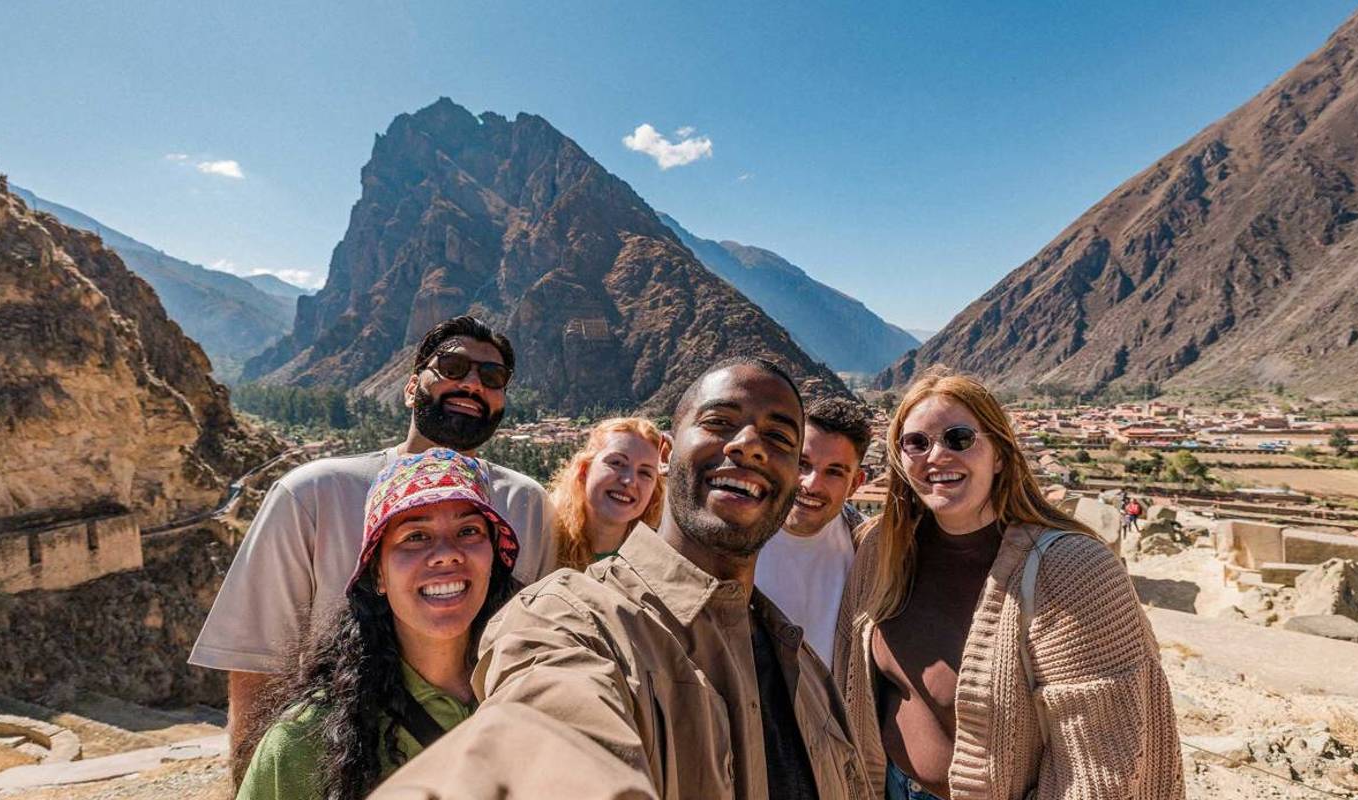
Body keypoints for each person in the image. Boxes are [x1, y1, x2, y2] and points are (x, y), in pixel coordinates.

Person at [374, 357, 872, 799]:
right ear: (667, 455)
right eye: (720, 422)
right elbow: (547, 725)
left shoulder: (808, 673)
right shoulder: (572, 619)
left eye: (780, 438)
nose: (749, 446)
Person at [189, 315, 556, 781]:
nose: (471, 384)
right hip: (341, 760)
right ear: (410, 388)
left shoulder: (526, 504)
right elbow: (256, 669)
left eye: (491, 376)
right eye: (452, 366)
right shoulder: (311, 496)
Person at [832, 367, 1182, 800]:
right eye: (916, 443)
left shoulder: (1072, 571)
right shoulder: (880, 550)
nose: (936, 456)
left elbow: (1100, 769)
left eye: (959, 438)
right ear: (900, 460)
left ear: (999, 453)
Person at [237, 449, 521, 800]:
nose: (447, 553)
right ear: (379, 574)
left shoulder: (530, 697)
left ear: (492, 558)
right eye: (415, 536)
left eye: (468, 530)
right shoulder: (304, 742)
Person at [754, 396, 870, 672]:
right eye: (802, 464)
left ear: (855, 483)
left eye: (834, 472)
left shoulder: (867, 549)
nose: (811, 484)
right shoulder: (734, 535)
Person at [548, 417, 666, 571]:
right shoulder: (541, 540)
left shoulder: (655, 563)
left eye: (645, 472)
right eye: (617, 463)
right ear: (584, 470)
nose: (629, 481)